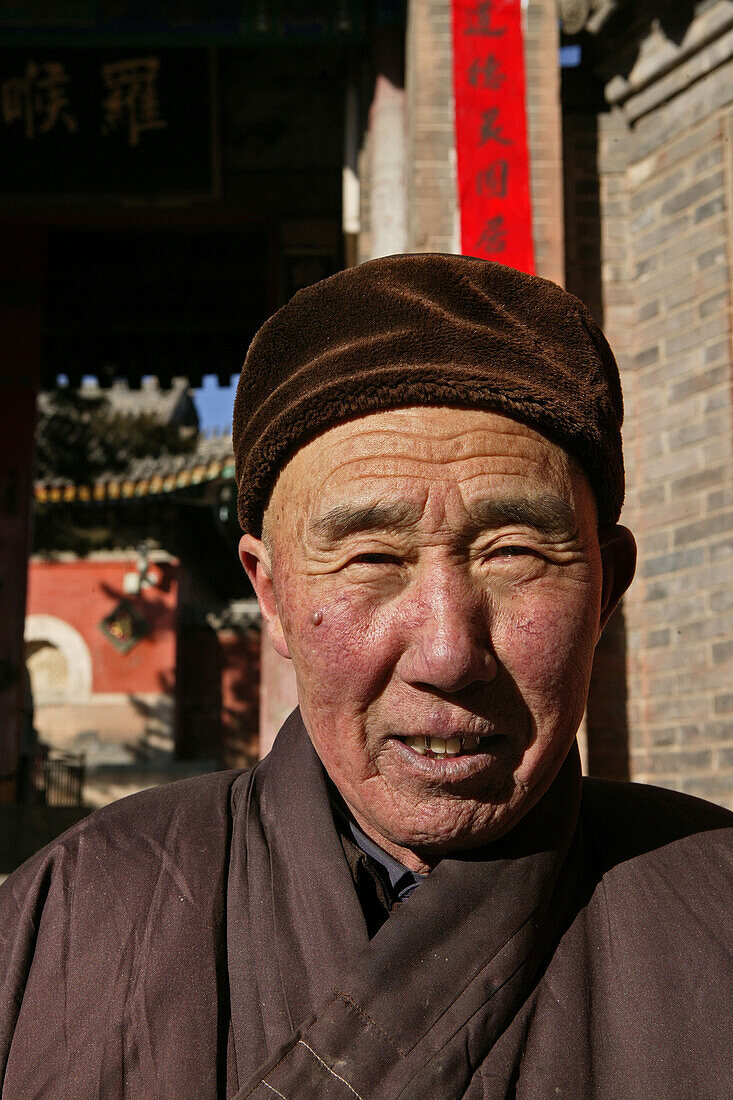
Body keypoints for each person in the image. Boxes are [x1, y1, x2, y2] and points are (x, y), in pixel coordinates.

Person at [1, 255, 730, 1099]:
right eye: (371, 557)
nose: (448, 652)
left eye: (515, 553)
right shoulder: (72, 913)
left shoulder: (713, 910)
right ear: (269, 595)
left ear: (607, 588)